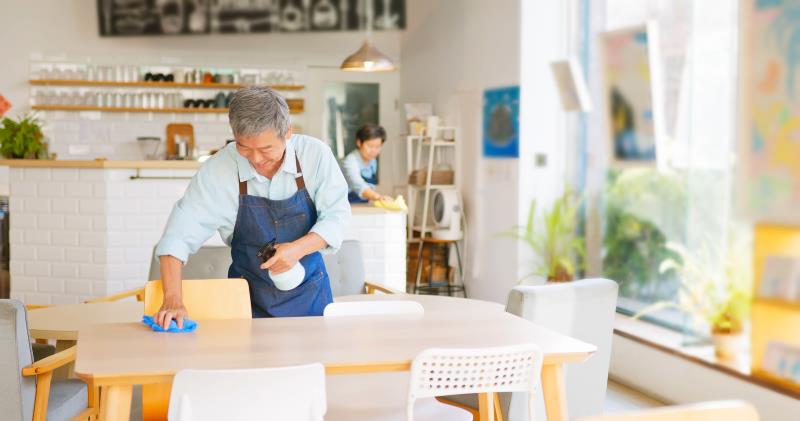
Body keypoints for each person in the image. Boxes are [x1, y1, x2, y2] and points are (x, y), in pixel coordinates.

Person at [153, 87, 350, 329]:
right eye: (244, 147)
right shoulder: (218, 170)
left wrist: (297, 250)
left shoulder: (315, 155)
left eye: (266, 149)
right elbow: (177, 237)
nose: (256, 159)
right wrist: (173, 300)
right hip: (245, 302)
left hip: (309, 297)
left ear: (288, 132)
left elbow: (336, 217)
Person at [340, 123, 393, 203]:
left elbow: (370, 187)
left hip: (363, 204)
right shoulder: (350, 161)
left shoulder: (372, 161)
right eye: (370, 146)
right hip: (347, 205)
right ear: (359, 143)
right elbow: (358, 185)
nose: (374, 151)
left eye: (378, 147)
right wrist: (378, 197)